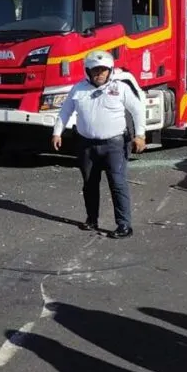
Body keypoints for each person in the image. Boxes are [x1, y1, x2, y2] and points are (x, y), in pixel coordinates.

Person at [52, 50, 146, 239]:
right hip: (87, 145)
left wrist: (140, 135)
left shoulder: (121, 88)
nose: (100, 74)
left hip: (115, 145)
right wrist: (57, 132)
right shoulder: (78, 89)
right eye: (95, 70)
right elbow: (65, 111)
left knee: (118, 184)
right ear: (88, 71)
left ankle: (124, 225)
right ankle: (91, 219)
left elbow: (137, 110)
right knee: (89, 184)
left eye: (103, 70)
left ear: (110, 70)